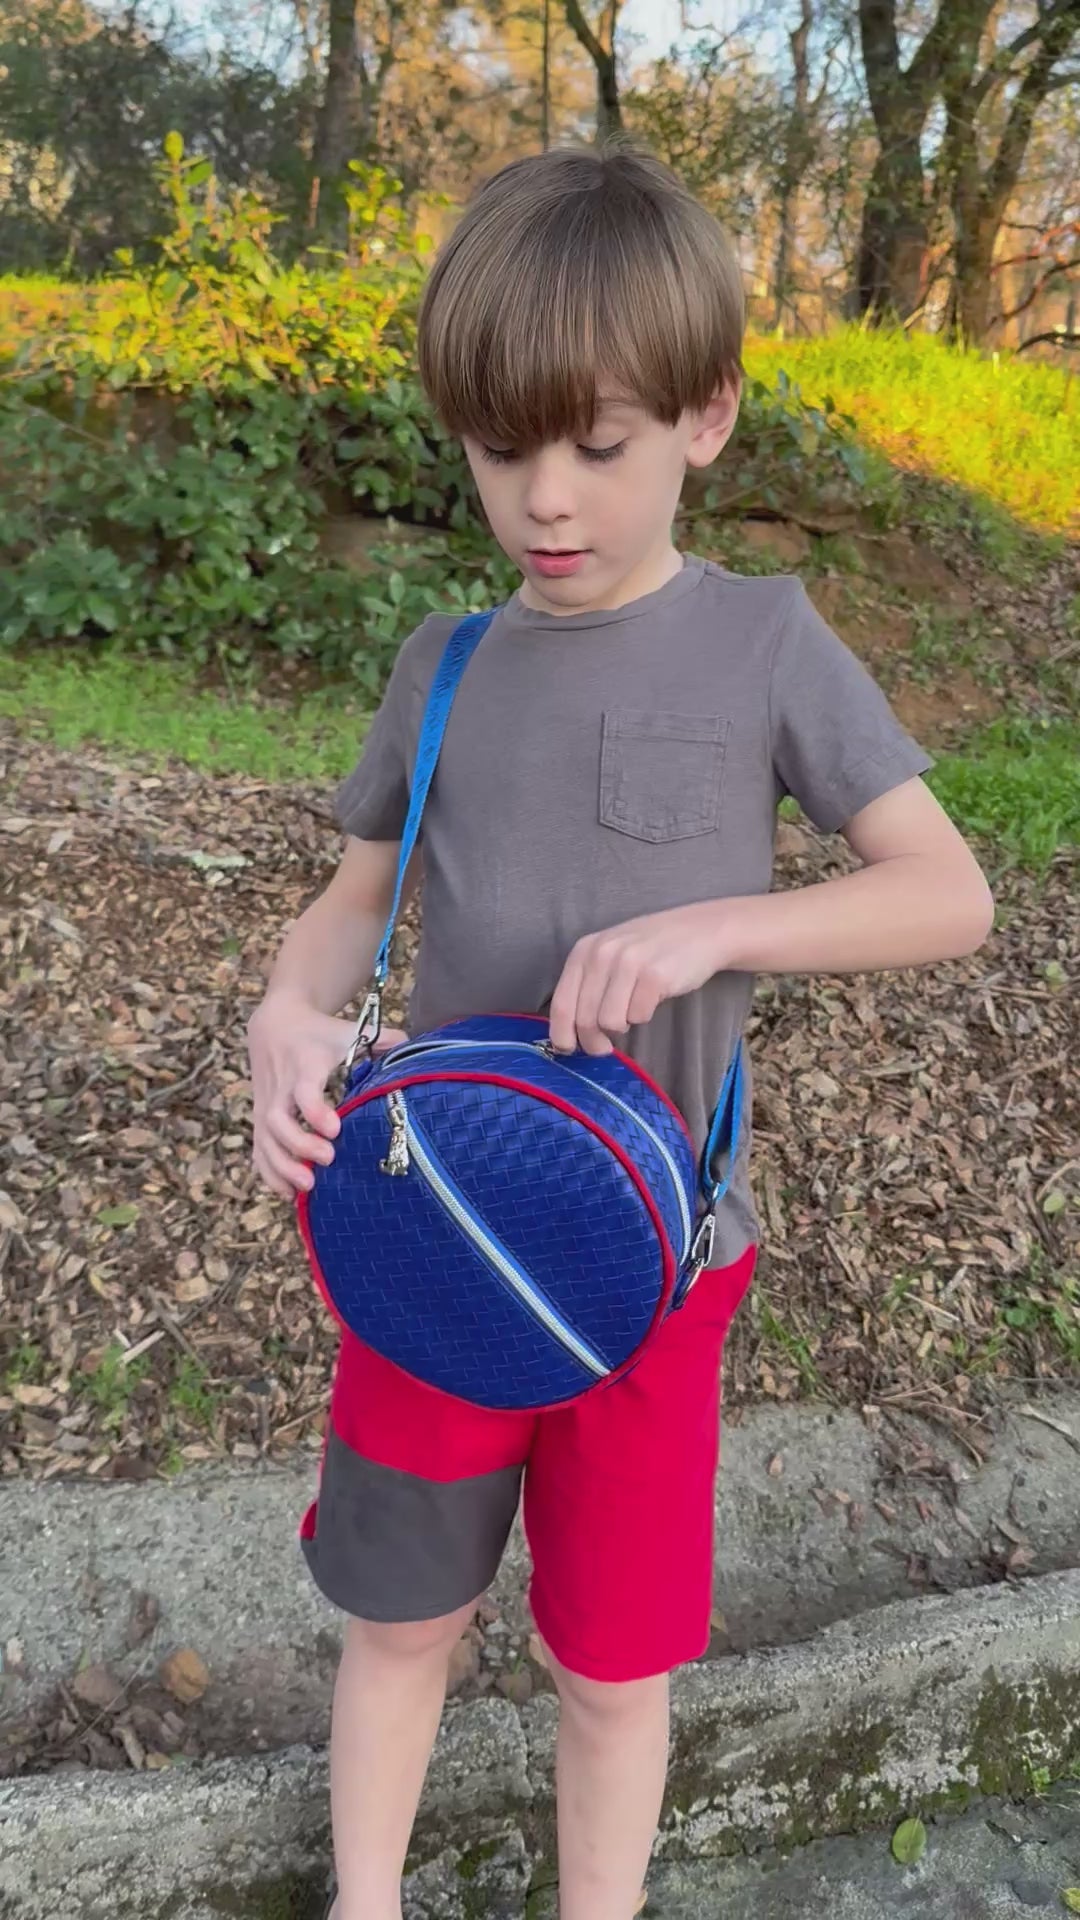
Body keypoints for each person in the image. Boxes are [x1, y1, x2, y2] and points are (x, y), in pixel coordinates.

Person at [246, 145, 994, 1920]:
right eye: (500, 448)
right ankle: (366, 1898)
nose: (545, 500)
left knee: (612, 1663)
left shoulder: (764, 644)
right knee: (401, 1616)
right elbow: (353, 900)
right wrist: (285, 1010)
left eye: (598, 445)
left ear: (705, 417)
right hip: (432, 1226)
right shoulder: (442, 664)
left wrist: (720, 924)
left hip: (658, 1271)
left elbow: (948, 891)